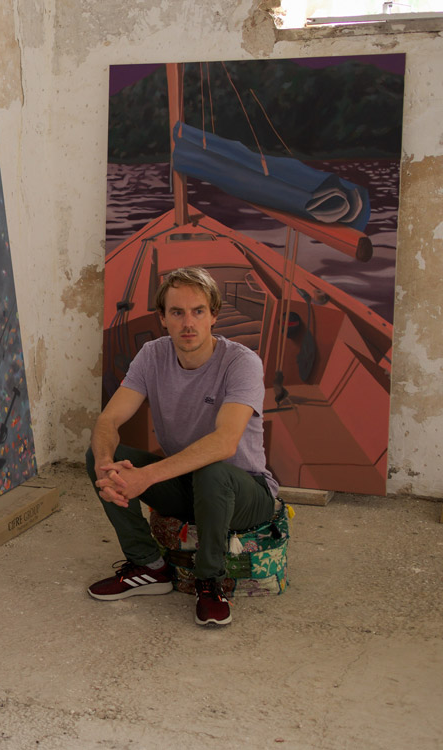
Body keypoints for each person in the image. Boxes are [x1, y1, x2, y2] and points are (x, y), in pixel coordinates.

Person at [86, 266, 278, 627]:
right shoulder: (152, 355)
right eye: (177, 312)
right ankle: (148, 565)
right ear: (162, 318)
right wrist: (105, 466)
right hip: (188, 486)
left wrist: (147, 477)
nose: (188, 323)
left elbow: (224, 443)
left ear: (214, 315)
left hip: (245, 492)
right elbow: (108, 422)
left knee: (214, 472)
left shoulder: (241, 363)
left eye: (198, 311)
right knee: (104, 454)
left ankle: (209, 580)